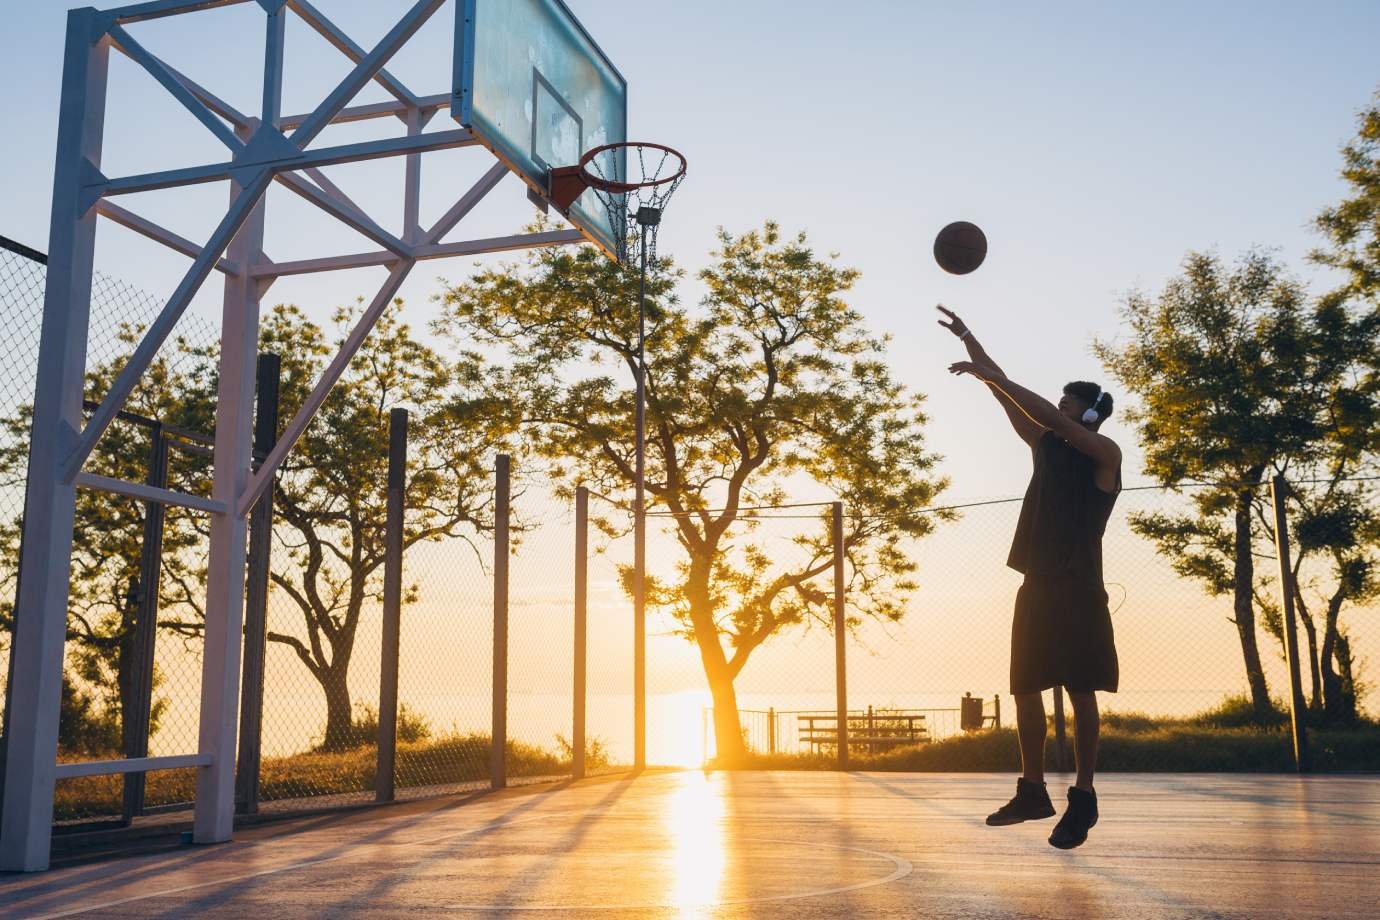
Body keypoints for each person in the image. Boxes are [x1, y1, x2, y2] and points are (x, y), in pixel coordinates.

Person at [937, 304, 1121, 850]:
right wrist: (972, 343)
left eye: (1069, 402)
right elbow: (1008, 397)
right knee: (1025, 688)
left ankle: (1083, 796)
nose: (1060, 406)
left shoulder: (1105, 454)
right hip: (1036, 584)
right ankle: (1033, 790)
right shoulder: (1046, 446)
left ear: (1092, 414)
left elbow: (1047, 414)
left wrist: (997, 378)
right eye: (1060, 400)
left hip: (1080, 588)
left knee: (1081, 692)